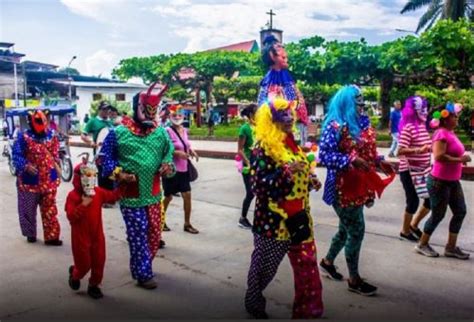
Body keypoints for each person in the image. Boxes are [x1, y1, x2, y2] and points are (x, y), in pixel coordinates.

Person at [244, 98, 324, 319]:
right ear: (271, 120)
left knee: (308, 266)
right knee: (263, 270)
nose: (290, 119)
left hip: (300, 217)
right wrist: (287, 172)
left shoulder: (292, 143)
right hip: (274, 221)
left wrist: (310, 179)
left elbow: (301, 169)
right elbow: (258, 186)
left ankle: (307, 311)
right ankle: (254, 301)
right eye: (283, 115)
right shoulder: (263, 148)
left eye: (291, 114)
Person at [318, 85, 394, 296]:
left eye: (362, 100)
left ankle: (327, 262)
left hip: (360, 186)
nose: (361, 104)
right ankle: (354, 279)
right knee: (356, 231)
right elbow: (323, 156)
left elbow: (368, 152)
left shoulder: (362, 123)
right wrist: (350, 159)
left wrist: (380, 162)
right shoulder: (334, 126)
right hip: (343, 189)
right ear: (347, 102)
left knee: (345, 230)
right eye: (357, 100)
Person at [100, 82, 175, 289]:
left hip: (153, 193)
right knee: (138, 232)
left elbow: (168, 153)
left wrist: (167, 165)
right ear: (137, 108)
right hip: (130, 194)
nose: (150, 115)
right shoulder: (118, 132)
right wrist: (118, 173)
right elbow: (103, 159)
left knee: (154, 232)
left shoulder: (160, 133)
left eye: (154, 111)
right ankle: (143, 273)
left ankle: (142, 264)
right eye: (146, 110)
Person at [66, 155, 127, 299]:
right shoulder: (73, 196)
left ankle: (94, 285)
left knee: (99, 261)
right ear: (79, 179)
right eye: (86, 177)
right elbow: (71, 217)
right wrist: (83, 205)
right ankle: (75, 273)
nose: (90, 180)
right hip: (80, 237)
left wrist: (123, 183)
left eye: (93, 177)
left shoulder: (98, 192)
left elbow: (113, 196)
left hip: (97, 235)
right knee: (84, 265)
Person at [415, 103, 470, 259]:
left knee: (460, 211)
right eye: (454, 115)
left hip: (452, 181)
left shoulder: (450, 133)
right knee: (438, 214)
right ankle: (422, 244)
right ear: (445, 120)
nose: (457, 117)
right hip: (439, 181)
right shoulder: (441, 134)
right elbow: (439, 156)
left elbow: (450, 154)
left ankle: (451, 248)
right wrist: (460, 159)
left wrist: (458, 160)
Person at [12, 109, 63, 245]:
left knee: (50, 210)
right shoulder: (24, 138)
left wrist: (57, 164)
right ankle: (31, 234)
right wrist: (25, 165)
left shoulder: (52, 136)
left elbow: (55, 153)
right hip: (30, 182)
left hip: (49, 180)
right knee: (28, 210)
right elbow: (16, 155)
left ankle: (52, 237)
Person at [397, 96, 432, 242]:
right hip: (409, 171)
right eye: (422, 109)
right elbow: (400, 151)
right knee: (412, 201)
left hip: (423, 170)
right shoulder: (409, 127)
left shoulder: (422, 126)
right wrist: (419, 150)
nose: (426, 112)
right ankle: (405, 231)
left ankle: (414, 225)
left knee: (430, 200)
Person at [162, 105, 200, 234]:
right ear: (169, 117)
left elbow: (186, 145)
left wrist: (192, 151)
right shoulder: (166, 130)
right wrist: (177, 153)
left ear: (183, 116)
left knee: (187, 195)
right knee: (168, 197)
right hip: (171, 170)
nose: (177, 117)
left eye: (179, 115)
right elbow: (163, 149)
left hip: (183, 169)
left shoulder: (183, 130)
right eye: (174, 115)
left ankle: (187, 224)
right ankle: (160, 221)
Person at [257, 35, 301, 107]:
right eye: (283, 57)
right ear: (272, 56)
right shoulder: (268, 83)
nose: (286, 60)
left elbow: (295, 101)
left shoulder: (287, 80)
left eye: (286, 57)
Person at [81, 101, 114, 194]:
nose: (107, 111)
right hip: (100, 153)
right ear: (99, 110)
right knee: (102, 174)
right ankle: (103, 196)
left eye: (108, 109)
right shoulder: (93, 121)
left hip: (111, 153)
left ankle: (110, 197)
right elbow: (83, 135)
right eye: (104, 109)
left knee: (112, 174)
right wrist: (91, 142)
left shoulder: (110, 122)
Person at [237, 104, 257, 229]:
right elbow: (239, 150)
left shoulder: (260, 127)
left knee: (259, 191)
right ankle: (242, 218)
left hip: (260, 163)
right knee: (250, 192)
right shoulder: (244, 129)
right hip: (249, 163)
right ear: (251, 114)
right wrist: (248, 162)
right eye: (257, 112)